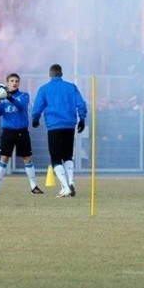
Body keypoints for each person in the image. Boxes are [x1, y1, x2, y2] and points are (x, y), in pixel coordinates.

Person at [32, 64, 87, 197]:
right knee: (68, 155)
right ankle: (71, 180)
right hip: (69, 126)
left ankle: (65, 186)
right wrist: (82, 119)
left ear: (50, 74)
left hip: (54, 126)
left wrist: (35, 119)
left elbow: (38, 106)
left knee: (56, 158)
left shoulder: (44, 89)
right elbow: (81, 103)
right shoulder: (71, 87)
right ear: (61, 74)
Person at [0, 73, 42, 195]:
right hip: (8, 132)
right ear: (7, 83)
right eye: (12, 81)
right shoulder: (2, 97)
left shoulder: (24, 95)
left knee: (27, 158)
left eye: (16, 81)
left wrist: (9, 97)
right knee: (4, 157)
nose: (14, 83)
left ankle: (33, 186)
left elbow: (21, 106)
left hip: (21, 131)